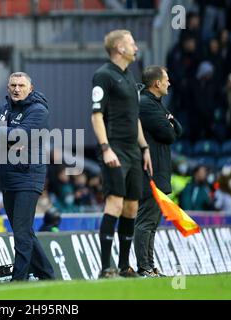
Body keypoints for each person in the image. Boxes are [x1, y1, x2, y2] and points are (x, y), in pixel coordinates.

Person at [90, 29, 153, 278]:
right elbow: (96, 115)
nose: (136, 47)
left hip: (133, 152)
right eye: (132, 43)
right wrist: (106, 149)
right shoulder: (103, 76)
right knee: (114, 203)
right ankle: (106, 267)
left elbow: (135, 117)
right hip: (114, 148)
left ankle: (124, 265)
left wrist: (145, 147)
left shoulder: (129, 77)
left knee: (131, 207)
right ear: (119, 48)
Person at [0, 72, 55, 281]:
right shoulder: (4, 108)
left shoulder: (38, 110)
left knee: (21, 231)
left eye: (21, 86)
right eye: (13, 85)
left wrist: (5, 135)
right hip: (7, 177)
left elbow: (17, 136)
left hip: (28, 176)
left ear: (30, 89)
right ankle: (47, 275)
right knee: (23, 230)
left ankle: (19, 279)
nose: (16, 89)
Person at [134, 66, 183, 278]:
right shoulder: (146, 105)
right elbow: (169, 134)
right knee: (146, 221)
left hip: (159, 171)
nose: (169, 83)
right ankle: (144, 268)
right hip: (150, 172)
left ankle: (150, 266)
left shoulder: (155, 104)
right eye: (167, 79)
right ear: (157, 83)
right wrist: (169, 122)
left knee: (152, 223)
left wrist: (170, 122)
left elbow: (177, 129)